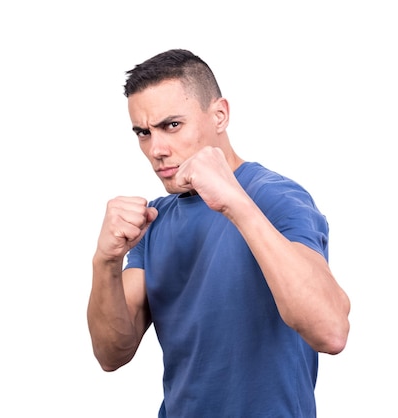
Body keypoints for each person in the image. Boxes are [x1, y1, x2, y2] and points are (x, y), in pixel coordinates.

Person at [86, 49, 351, 417]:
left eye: (171, 125)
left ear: (219, 115)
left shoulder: (276, 198)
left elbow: (331, 332)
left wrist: (236, 205)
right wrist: (105, 262)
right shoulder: (155, 219)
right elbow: (111, 353)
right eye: (143, 133)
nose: (157, 149)